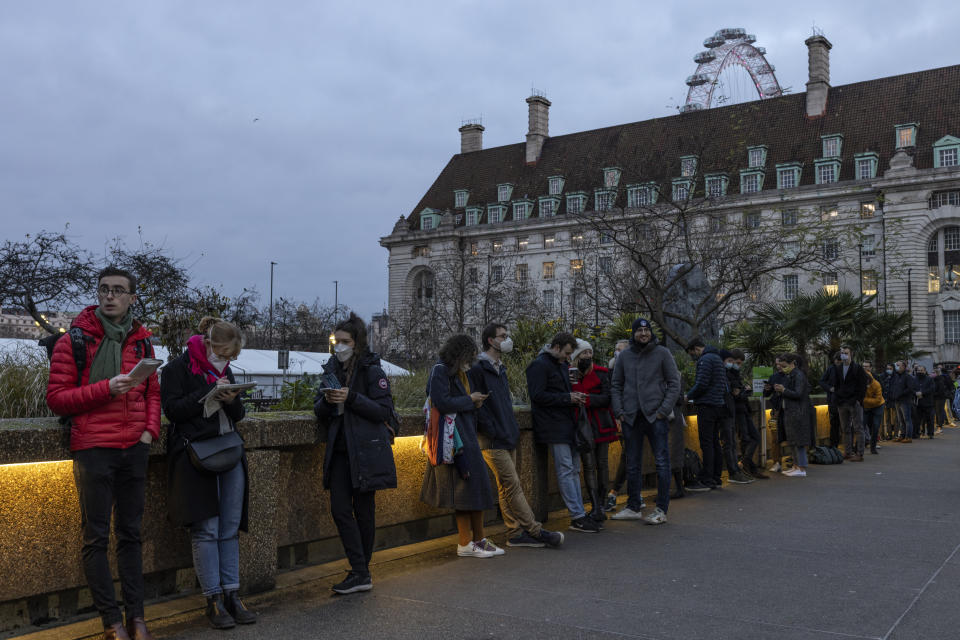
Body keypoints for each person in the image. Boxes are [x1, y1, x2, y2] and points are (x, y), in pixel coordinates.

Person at [46, 267, 161, 640]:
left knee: (130, 535)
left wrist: (150, 431)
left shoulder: (142, 343)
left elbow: (152, 392)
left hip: (134, 449)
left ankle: (137, 618)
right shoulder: (74, 341)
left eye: (118, 291)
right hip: (94, 449)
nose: (109, 296)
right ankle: (111, 623)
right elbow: (57, 400)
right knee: (95, 538)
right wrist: (106, 389)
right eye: (103, 290)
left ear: (131, 298)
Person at [162, 318, 256, 627]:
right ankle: (212, 599)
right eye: (224, 353)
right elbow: (173, 410)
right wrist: (208, 391)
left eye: (231, 356)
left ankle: (232, 594)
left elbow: (239, 415)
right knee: (207, 530)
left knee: (229, 528)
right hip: (196, 455)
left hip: (228, 450)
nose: (226, 360)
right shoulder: (178, 368)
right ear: (210, 344)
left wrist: (230, 399)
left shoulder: (223, 369)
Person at [315, 313, 400, 592]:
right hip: (340, 450)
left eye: (345, 341)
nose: (339, 346)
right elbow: (318, 410)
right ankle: (361, 571)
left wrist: (351, 397)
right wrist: (328, 402)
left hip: (365, 450)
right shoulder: (331, 369)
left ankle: (360, 572)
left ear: (357, 343)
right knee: (340, 510)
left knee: (364, 512)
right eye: (335, 341)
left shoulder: (372, 370)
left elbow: (383, 411)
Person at [469, 323, 563, 548]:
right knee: (512, 485)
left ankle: (514, 532)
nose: (507, 339)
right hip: (492, 439)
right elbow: (478, 405)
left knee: (506, 486)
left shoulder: (499, 368)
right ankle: (535, 530)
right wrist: (492, 429)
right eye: (503, 336)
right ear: (491, 341)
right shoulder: (478, 369)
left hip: (505, 434)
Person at [421, 334, 500, 556]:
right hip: (454, 440)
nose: (471, 362)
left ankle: (476, 541)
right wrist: (471, 400)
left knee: (473, 489)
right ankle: (467, 542)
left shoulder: (454, 372)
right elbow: (441, 402)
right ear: (459, 354)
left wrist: (473, 403)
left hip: (464, 435)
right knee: (466, 490)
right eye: (469, 356)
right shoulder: (440, 370)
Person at [610, 318, 682, 524]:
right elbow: (615, 385)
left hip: (655, 416)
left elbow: (674, 383)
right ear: (633, 333)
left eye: (646, 330)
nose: (643, 334)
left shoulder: (662, 353)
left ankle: (661, 509)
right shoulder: (624, 356)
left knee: (661, 462)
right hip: (631, 417)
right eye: (639, 330)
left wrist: (663, 410)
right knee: (632, 463)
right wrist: (619, 411)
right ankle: (633, 506)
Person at [526, 332, 599, 532]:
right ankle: (577, 516)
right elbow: (537, 395)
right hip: (553, 426)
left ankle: (580, 514)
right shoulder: (539, 365)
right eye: (567, 353)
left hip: (566, 424)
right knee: (567, 469)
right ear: (556, 347)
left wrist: (572, 395)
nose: (569, 357)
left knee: (573, 469)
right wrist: (568, 398)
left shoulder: (560, 365)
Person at [571, 339, 620, 525]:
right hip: (583, 427)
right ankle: (594, 505)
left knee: (602, 464)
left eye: (590, 353)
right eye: (584, 353)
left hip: (600, 424)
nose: (588, 357)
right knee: (589, 465)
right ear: (577, 356)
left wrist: (588, 399)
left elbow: (607, 397)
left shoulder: (601, 372)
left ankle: (601, 504)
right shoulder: (572, 374)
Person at [685, 337, 730, 489]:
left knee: (707, 442)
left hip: (707, 406)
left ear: (696, 349)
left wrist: (688, 396)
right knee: (715, 442)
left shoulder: (705, 360)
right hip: (718, 405)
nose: (693, 356)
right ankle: (716, 476)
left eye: (692, 353)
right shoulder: (717, 358)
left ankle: (707, 477)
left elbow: (702, 384)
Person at [727, 349, 766, 479]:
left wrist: (743, 392)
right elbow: (735, 395)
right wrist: (745, 392)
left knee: (753, 438)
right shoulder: (729, 375)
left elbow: (738, 393)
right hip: (738, 411)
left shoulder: (736, 374)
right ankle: (747, 466)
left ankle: (745, 463)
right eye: (738, 362)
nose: (739, 365)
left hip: (744, 409)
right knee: (746, 439)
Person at [773, 353, 813, 477]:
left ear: (792, 364)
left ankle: (801, 468)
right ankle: (796, 466)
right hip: (791, 412)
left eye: (784, 365)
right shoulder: (791, 374)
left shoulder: (798, 375)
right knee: (793, 440)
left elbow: (798, 393)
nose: (782, 368)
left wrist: (783, 390)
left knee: (798, 441)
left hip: (797, 412)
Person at [830, 346, 868, 462]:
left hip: (854, 402)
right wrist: (837, 398)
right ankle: (848, 452)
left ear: (851, 354)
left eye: (846, 353)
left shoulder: (857, 368)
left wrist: (858, 400)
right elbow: (836, 384)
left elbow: (863, 385)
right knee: (845, 428)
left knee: (858, 428)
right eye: (842, 353)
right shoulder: (838, 368)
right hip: (842, 402)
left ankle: (859, 453)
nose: (844, 355)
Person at [889, 360, 918, 442]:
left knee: (907, 419)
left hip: (905, 401)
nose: (897, 367)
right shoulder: (896, 376)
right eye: (896, 365)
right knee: (900, 420)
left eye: (899, 365)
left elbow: (910, 388)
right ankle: (902, 435)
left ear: (904, 367)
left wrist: (900, 393)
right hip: (897, 400)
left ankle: (908, 437)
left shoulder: (907, 376)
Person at [819, 353, 844, 448]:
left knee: (846, 425)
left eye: (840, 361)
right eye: (837, 361)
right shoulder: (831, 369)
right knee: (834, 424)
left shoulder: (847, 369)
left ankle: (848, 447)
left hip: (844, 400)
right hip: (833, 400)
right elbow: (821, 381)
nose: (838, 363)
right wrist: (830, 388)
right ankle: (834, 445)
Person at [861, 361, 884, 455]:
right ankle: (858, 446)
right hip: (866, 408)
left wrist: (864, 399)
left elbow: (878, 400)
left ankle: (873, 447)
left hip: (878, 406)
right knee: (861, 426)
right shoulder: (859, 383)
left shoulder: (876, 384)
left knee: (875, 426)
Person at [915, 365, 937, 439]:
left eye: (921, 370)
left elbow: (932, 388)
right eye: (918, 370)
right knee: (917, 420)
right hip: (918, 403)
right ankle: (917, 433)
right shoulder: (914, 379)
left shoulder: (929, 379)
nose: (920, 372)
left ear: (925, 371)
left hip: (928, 403)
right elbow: (911, 388)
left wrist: (922, 393)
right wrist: (916, 393)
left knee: (930, 419)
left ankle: (930, 433)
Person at [879, 363, 899, 441]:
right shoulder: (882, 376)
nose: (889, 370)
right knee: (887, 419)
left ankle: (896, 434)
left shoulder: (896, 377)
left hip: (894, 400)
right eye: (888, 368)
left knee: (895, 419)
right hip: (885, 400)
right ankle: (889, 434)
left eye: (890, 368)